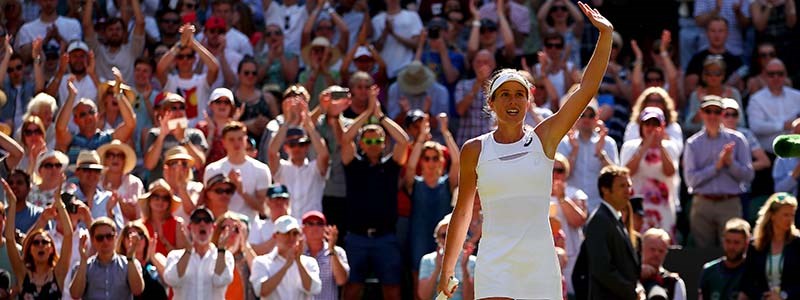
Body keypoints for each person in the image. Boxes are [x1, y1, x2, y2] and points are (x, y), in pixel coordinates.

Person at [437, 3, 613, 299]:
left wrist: (605, 35)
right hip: (495, 262)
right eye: (504, 94)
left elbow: (585, 89)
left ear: (528, 99)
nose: (512, 100)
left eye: (519, 93)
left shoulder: (545, 137)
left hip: (539, 264)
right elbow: (463, 211)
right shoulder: (474, 150)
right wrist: (447, 268)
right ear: (491, 103)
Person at [339, 84, 409, 300]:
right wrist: (367, 113)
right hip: (356, 237)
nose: (372, 144)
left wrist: (380, 117)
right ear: (362, 143)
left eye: (377, 140)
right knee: (352, 288)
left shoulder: (390, 165)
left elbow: (404, 140)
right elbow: (346, 138)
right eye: (367, 140)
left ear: (383, 143)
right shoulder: (353, 164)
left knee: (392, 289)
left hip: (385, 237)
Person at [683, 96, 754, 248]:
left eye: (717, 111)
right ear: (701, 113)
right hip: (703, 204)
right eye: (708, 111)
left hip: (730, 203)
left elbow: (748, 175)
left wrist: (730, 163)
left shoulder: (738, 139)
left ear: (722, 114)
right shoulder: (692, 143)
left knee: (734, 251)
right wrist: (717, 166)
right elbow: (691, 180)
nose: (712, 115)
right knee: (702, 254)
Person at [405, 114, 459, 283]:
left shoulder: (447, 183)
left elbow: (457, 162)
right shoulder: (415, 183)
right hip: (418, 235)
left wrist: (445, 131)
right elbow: (411, 166)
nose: (431, 162)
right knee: (418, 277)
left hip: (443, 237)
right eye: (427, 158)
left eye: (435, 158)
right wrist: (421, 138)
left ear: (441, 161)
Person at [4, 178, 72, 298]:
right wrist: (13, 204)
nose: (40, 245)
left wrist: (59, 203)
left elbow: (68, 235)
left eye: (45, 242)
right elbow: (9, 239)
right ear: (30, 249)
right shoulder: (22, 273)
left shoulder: (58, 273)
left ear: (52, 249)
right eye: (35, 243)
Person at [620, 107, 681, 239]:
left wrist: (660, 146)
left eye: (655, 124)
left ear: (663, 126)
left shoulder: (670, 147)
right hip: (637, 208)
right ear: (641, 126)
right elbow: (626, 173)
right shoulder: (630, 147)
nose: (651, 128)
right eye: (647, 124)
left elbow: (670, 172)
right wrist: (644, 148)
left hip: (663, 208)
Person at [581, 166, 641, 300]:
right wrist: (632, 292)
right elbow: (602, 270)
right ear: (605, 190)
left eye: (629, 186)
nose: (628, 191)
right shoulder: (599, 221)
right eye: (622, 186)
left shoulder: (614, 219)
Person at [55, 72, 136, 163]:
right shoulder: (71, 140)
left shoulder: (108, 138)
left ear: (97, 116)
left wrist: (119, 94)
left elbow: (130, 124)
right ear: (75, 120)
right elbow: (60, 128)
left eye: (91, 112)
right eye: (82, 114)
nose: (88, 117)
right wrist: (71, 96)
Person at [557, 100, 620, 213]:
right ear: (576, 117)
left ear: (597, 118)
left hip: (599, 206)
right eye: (582, 115)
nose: (586, 119)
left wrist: (601, 154)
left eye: (591, 115)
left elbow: (616, 178)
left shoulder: (608, 143)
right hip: (573, 206)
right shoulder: (565, 143)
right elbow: (561, 176)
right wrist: (574, 152)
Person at [204, 121, 271, 220]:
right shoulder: (212, 169)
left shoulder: (261, 169)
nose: (236, 143)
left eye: (240, 139)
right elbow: (208, 203)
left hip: (250, 229)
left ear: (246, 140)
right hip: (221, 227)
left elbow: (263, 209)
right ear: (223, 142)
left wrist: (241, 190)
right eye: (231, 139)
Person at [163, 207, 235, 300]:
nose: (202, 224)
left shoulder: (225, 256)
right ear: (189, 227)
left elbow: (220, 281)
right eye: (197, 220)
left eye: (207, 220)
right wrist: (188, 251)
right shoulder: (175, 256)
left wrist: (221, 249)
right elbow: (172, 280)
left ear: (213, 227)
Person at [268, 113, 329, 220]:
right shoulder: (281, 168)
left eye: (301, 144)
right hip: (286, 228)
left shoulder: (314, 168)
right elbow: (272, 152)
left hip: (310, 227)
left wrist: (309, 126)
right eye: (292, 144)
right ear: (285, 148)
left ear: (307, 147)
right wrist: (287, 122)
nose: (297, 148)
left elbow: (324, 154)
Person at [739, 193, 800, 300]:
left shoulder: (798, 243)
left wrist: (783, 296)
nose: (790, 219)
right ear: (772, 216)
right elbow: (747, 281)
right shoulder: (756, 245)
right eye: (785, 215)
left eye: (792, 215)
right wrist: (764, 296)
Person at [156, 23, 220, 124]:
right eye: (181, 57)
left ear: (194, 59)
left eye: (189, 56)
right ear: (176, 60)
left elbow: (214, 67)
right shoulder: (171, 81)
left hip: (199, 132)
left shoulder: (202, 81)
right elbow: (160, 68)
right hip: (174, 131)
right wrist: (180, 44)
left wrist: (193, 43)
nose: (185, 60)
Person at [69, 217, 145, 298]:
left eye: (109, 236)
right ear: (92, 240)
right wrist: (83, 261)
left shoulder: (129, 264)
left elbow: (137, 290)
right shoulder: (83, 267)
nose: (105, 241)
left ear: (116, 237)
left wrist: (130, 258)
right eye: (100, 238)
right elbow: (75, 294)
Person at [249, 215, 322, 299]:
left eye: (295, 233)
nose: (291, 238)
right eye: (286, 233)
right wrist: (286, 266)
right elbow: (261, 291)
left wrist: (299, 262)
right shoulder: (261, 262)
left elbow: (313, 289)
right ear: (275, 236)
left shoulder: (309, 262)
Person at [80, 0, 145, 83]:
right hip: (102, 94)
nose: (114, 32)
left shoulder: (132, 51)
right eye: (110, 30)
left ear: (124, 32)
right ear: (104, 34)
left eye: (118, 29)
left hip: (127, 94)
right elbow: (86, 25)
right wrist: (89, 2)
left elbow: (140, 23)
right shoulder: (97, 52)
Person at [418, 214, 476, 300]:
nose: (448, 239)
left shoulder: (472, 261)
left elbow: (469, 298)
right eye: (444, 235)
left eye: (453, 234)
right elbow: (423, 296)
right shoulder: (428, 260)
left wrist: (464, 268)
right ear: (437, 238)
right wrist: (437, 268)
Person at [301, 210, 349, 300]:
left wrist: (332, 250)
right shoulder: (297, 253)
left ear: (325, 228)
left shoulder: (337, 251)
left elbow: (341, 280)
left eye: (319, 224)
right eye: (310, 223)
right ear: (303, 229)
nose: (315, 227)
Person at [698, 218, 750, 300]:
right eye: (728, 241)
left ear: (746, 244)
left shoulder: (752, 273)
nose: (731, 247)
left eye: (736, 242)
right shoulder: (709, 271)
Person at [211, 212, 257, 300]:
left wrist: (244, 243)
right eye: (225, 227)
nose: (231, 232)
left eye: (236, 229)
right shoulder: (210, 255)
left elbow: (258, 272)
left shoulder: (246, 259)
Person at [116, 222, 169, 300]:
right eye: (130, 235)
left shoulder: (155, 260)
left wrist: (153, 257)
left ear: (146, 240)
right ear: (123, 241)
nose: (136, 239)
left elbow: (169, 280)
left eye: (140, 235)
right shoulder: (118, 265)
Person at [140, 179, 189, 256]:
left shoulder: (177, 224)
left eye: (165, 198)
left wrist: (163, 240)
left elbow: (182, 256)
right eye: (156, 197)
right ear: (149, 200)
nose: (160, 201)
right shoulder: (141, 225)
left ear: (169, 203)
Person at [99, 139, 144, 222]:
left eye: (120, 156)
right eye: (110, 155)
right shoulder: (96, 181)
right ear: (105, 160)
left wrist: (117, 199)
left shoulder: (134, 183)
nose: (115, 159)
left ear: (125, 161)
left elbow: (135, 215)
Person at [639, 228, 687, 300]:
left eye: (661, 251)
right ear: (642, 249)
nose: (656, 254)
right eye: (652, 249)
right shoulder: (630, 275)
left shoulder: (673, 282)